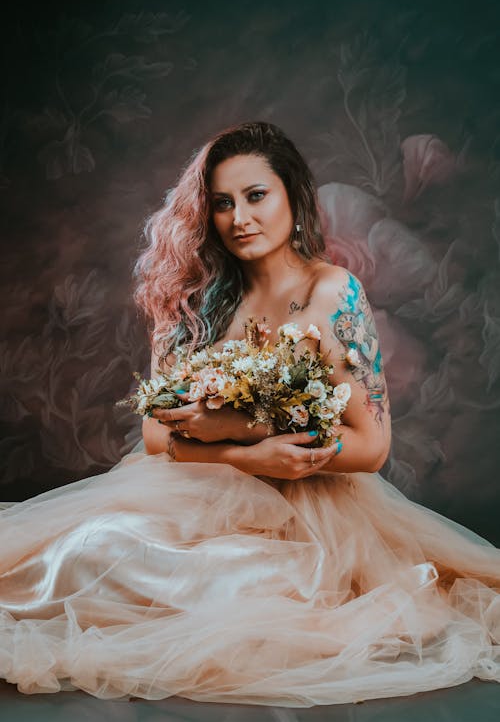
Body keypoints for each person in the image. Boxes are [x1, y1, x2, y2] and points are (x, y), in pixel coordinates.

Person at [0, 122, 499, 707]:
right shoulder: (197, 296)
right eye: (222, 204)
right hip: (194, 497)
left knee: (232, 595)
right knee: (91, 550)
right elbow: (155, 433)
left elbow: (372, 445)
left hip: (308, 516)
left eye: (256, 196)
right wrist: (241, 453)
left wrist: (276, 444)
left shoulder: (335, 292)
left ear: (293, 196)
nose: (240, 218)